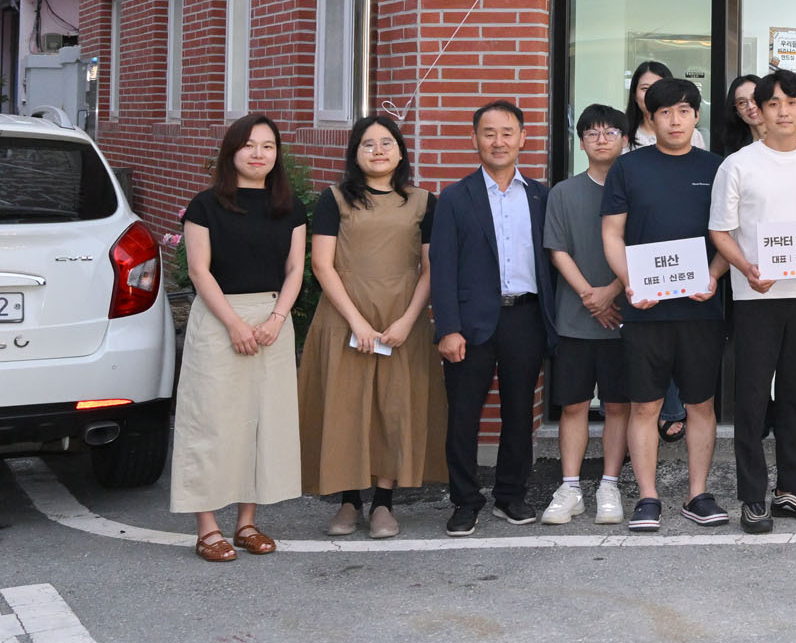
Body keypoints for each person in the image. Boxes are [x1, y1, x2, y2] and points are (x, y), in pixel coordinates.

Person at [298, 114, 446, 540]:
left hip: (402, 318)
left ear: (400, 152)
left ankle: (383, 502)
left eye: (386, 143)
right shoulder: (334, 199)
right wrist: (357, 322)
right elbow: (322, 265)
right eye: (368, 144)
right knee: (347, 407)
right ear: (355, 153)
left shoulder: (423, 202)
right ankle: (349, 500)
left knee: (394, 409)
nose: (378, 150)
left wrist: (407, 320)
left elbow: (430, 268)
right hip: (345, 316)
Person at [709, 69, 796, 534]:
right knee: (750, 398)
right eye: (773, 104)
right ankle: (752, 496)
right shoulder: (739, 164)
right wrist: (747, 268)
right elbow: (720, 231)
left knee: (793, 396)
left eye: (791, 102)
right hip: (755, 297)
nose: (783, 111)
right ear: (759, 112)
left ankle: (790, 489)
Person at [174, 115, 307, 562]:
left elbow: (295, 269)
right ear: (231, 151)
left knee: (262, 423)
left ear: (277, 155)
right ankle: (207, 528)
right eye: (249, 145)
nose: (258, 153)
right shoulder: (205, 205)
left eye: (268, 146)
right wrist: (233, 323)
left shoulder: (290, 207)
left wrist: (277, 317)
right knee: (211, 422)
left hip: (272, 321)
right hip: (219, 319)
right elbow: (199, 271)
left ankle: (246, 523)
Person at [602, 77, 730, 532]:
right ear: (650, 118)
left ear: (696, 116)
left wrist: (714, 275)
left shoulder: (718, 167)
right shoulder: (627, 168)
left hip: (701, 308)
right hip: (646, 308)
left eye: (684, 111)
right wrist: (630, 281)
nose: (675, 120)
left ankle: (698, 494)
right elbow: (612, 233)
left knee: (701, 405)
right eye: (665, 112)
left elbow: (729, 234)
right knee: (645, 406)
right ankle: (648, 497)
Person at [432, 100, 555, 536]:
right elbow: (442, 268)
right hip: (470, 324)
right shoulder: (454, 197)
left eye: (507, 133)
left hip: (525, 317)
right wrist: (448, 327)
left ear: (523, 138)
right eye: (489, 133)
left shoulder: (540, 196)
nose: (498, 141)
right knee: (464, 415)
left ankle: (510, 495)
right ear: (475, 140)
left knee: (519, 413)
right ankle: (465, 501)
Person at [539, 104, 634, 526]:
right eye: (591, 133)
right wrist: (589, 297)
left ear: (625, 140)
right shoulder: (563, 192)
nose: (601, 139)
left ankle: (610, 484)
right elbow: (557, 250)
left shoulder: (634, 190)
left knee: (618, 406)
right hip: (574, 319)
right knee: (574, 405)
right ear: (580, 143)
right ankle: (570, 487)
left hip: (624, 316)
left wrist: (611, 291)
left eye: (610, 131)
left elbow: (641, 248)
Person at [626, 60, 672, 149]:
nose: (651, 94)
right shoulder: (621, 137)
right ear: (635, 95)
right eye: (645, 88)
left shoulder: (690, 134)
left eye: (659, 88)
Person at [717, 73, 763, 156]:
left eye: (755, 98)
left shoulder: (786, 138)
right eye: (741, 103)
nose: (750, 106)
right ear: (737, 112)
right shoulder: (734, 149)